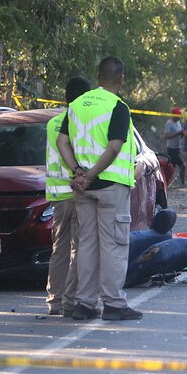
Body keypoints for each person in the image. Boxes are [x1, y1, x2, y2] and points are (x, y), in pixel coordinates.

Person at [55, 56, 142, 321]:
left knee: (87, 246)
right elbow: (114, 147)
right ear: (121, 78)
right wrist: (91, 175)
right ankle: (114, 303)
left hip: (83, 189)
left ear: (98, 76)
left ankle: (85, 303)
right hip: (109, 187)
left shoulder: (78, 104)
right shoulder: (118, 106)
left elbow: (62, 141)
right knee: (114, 245)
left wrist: (77, 172)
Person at [45, 77, 91, 316]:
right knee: (80, 249)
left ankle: (55, 300)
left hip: (57, 196)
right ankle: (71, 302)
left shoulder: (53, 123)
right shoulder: (82, 123)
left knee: (59, 248)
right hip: (79, 192)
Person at [163, 106, 185, 187]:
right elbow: (166, 135)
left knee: (172, 167)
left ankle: (169, 183)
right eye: (177, 115)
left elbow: (179, 134)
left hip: (177, 147)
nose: (179, 117)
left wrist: (182, 134)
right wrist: (177, 133)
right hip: (171, 148)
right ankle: (181, 183)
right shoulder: (169, 123)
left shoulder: (178, 123)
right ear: (173, 115)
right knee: (182, 165)